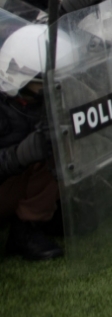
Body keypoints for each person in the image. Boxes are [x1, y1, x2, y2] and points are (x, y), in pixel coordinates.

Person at [0, 25, 61, 261]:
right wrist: (19, 155)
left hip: (11, 184)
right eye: (42, 77)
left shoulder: (38, 103)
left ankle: (29, 227)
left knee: (56, 142)